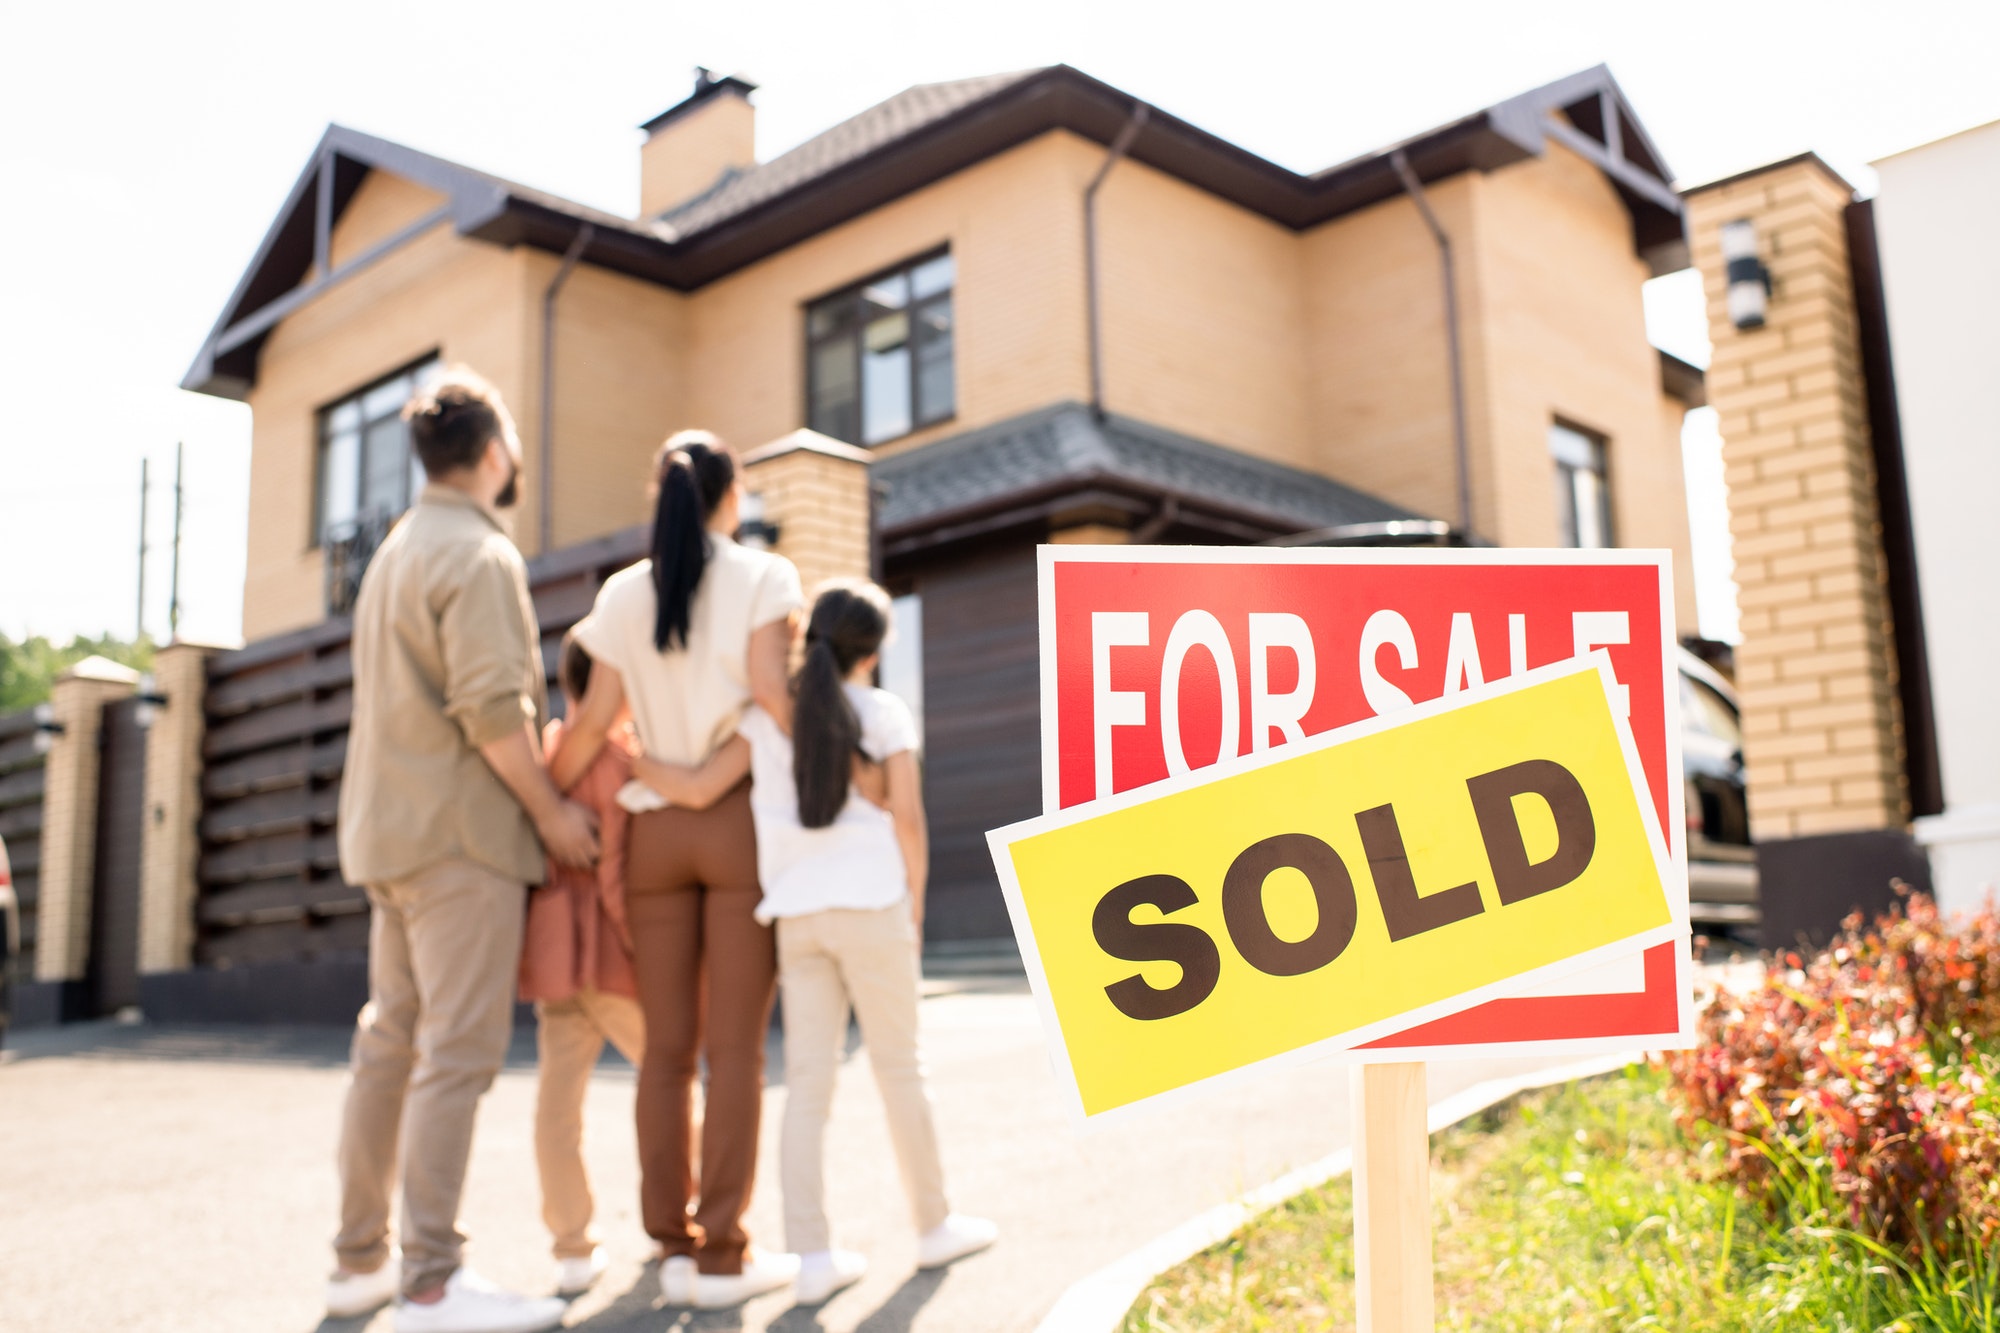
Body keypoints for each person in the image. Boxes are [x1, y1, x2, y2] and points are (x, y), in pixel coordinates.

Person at [327, 368, 598, 1333]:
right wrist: (553, 816)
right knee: (454, 1053)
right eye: (514, 442)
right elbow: (492, 709)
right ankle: (433, 1280)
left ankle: (360, 1262)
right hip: (460, 842)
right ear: (492, 454)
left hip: (387, 836)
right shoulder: (480, 556)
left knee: (389, 1044)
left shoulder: (397, 551)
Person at [642, 579, 997, 1306]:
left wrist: (632, 763)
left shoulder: (763, 720)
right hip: (871, 903)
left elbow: (703, 785)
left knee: (808, 1087)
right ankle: (933, 1224)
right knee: (902, 1068)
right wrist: (916, 908)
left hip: (796, 917)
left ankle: (811, 1256)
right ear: (872, 652)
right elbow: (909, 821)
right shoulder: (886, 712)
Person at [553, 432, 802, 1309]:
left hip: (652, 833)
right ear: (731, 496)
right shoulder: (764, 575)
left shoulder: (623, 592)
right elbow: (776, 693)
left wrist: (544, 802)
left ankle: (672, 1245)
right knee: (734, 1050)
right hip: (736, 829)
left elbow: (590, 726)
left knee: (666, 1050)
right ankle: (725, 1254)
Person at [519, 633, 645, 1298]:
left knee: (557, 1105)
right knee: (669, 1084)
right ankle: (678, 1220)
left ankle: (571, 1246)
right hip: (613, 953)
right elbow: (619, 870)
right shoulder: (622, 759)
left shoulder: (548, 751)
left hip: (554, 954)